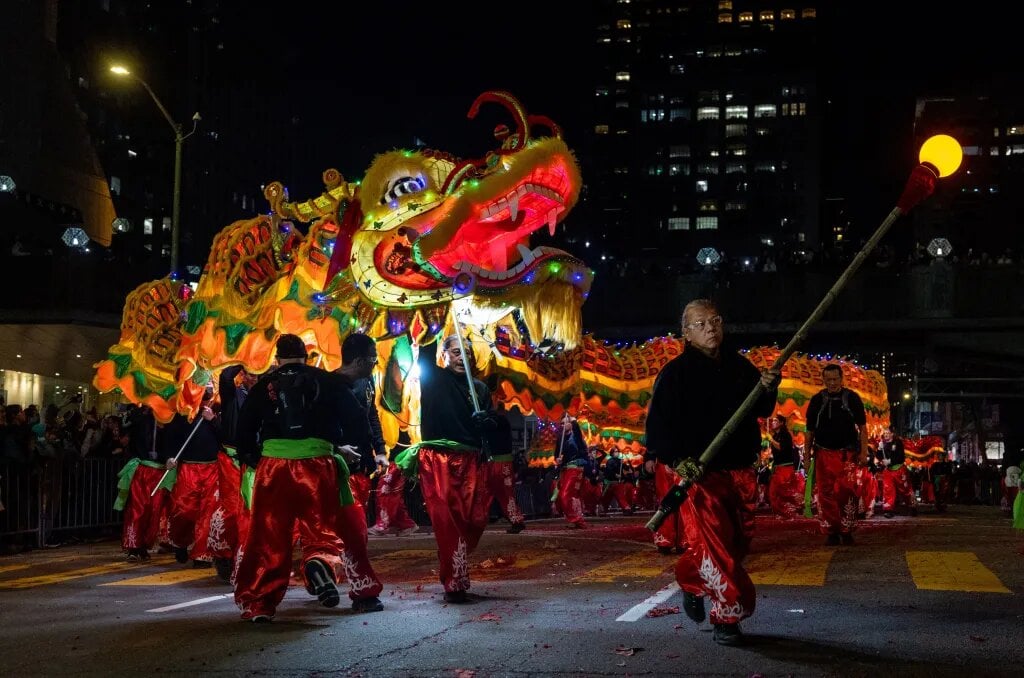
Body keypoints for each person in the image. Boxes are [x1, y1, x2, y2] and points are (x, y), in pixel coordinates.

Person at [644, 299, 779, 646]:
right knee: (717, 544)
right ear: (686, 333)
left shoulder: (740, 366)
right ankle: (727, 617)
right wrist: (676, 459)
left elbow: (762, 408)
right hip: (703, 474)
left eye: (715, 321)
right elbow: (658, 426)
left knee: (736, 543)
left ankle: (691, 577)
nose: (710, 328)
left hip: (742, 469)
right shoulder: (674, 374)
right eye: (700, 324)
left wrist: (769, 386)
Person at [233, 334, 351, 622]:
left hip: (274, 466)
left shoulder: (262, 387)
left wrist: (252, 458)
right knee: (321, 528)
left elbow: (243, 431)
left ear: (277, 359)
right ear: (306, 357)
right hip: (317, 464)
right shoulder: (326, 380)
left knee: (269, 535)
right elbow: (355, 416)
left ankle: (261, 603)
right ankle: (318, 562)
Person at [416, 335, 499, 604]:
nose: (462, 358)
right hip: (439, 459)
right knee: (448, 521)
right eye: (455, 352)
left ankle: (452, 557)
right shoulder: (433, 379)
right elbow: (425, 350)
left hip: (472, 460)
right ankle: (455, 582)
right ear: (444, 355)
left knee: (473, 521)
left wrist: (488, 421)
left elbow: (493, 427)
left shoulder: (480, 389)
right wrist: (434, 311)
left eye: (467, 354)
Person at [331, 332, 387, 612]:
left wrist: (380, 450)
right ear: (358, 360)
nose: (375, 366)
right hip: (338, 471)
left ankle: (321, 578)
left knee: (357, 532)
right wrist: (337, 448)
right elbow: (319, 429)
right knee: (353, 531)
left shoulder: (366, 382)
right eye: (373, 361)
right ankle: (363, 591)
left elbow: (371, 415)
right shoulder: (329, 387)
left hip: (363, 468)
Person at [804, 364, 869, 545]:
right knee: (825, 494)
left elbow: (863, 428)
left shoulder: (852, 398)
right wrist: (806, 457)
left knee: (848, 492)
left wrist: (864, 453)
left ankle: (847, 530)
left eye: (835, 379)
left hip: (847, 455)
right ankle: (831, 531)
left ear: (842, 379)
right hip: (823, 454)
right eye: (828, 379)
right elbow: (809, 431)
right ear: (823, 380)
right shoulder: (817, 400)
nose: (832, 383)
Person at [555, 412, 589, 528]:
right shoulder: (561, 438)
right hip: (566, 469)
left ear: (571, 424)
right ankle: (578, 520)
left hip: (576, 469)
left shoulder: (576, 436)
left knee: (566, 494)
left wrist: (574, 420)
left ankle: (577, 519)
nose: (563, 425)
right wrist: (557, 459)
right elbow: (556, 455)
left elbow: (577, 430)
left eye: (566, 423)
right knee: (571, 496)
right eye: (562, 423)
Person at [876, 427, 917, 518]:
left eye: (887, 432)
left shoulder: (898, 443)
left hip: (899, 469)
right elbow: (879, 456)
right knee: (888, 490)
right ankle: (888, 509)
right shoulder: (883, 444)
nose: (885, 434)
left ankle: (912, 505)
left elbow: (901, 457)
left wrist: (890, 461)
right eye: (884, 433)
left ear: (892, 434)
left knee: (905, 489)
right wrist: (879, 449)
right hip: (888, 471)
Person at [767, 414, 802, 519]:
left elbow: (781, 448)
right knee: (773, 492)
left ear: (781, 423)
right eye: (772, 421)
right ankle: (780, 513)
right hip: (777, 466)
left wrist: (771, 440)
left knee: (785, 491)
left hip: (785, 467)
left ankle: (788, 513)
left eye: (775, 421)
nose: (773, 422)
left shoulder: (786, 435)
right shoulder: (775, 436)